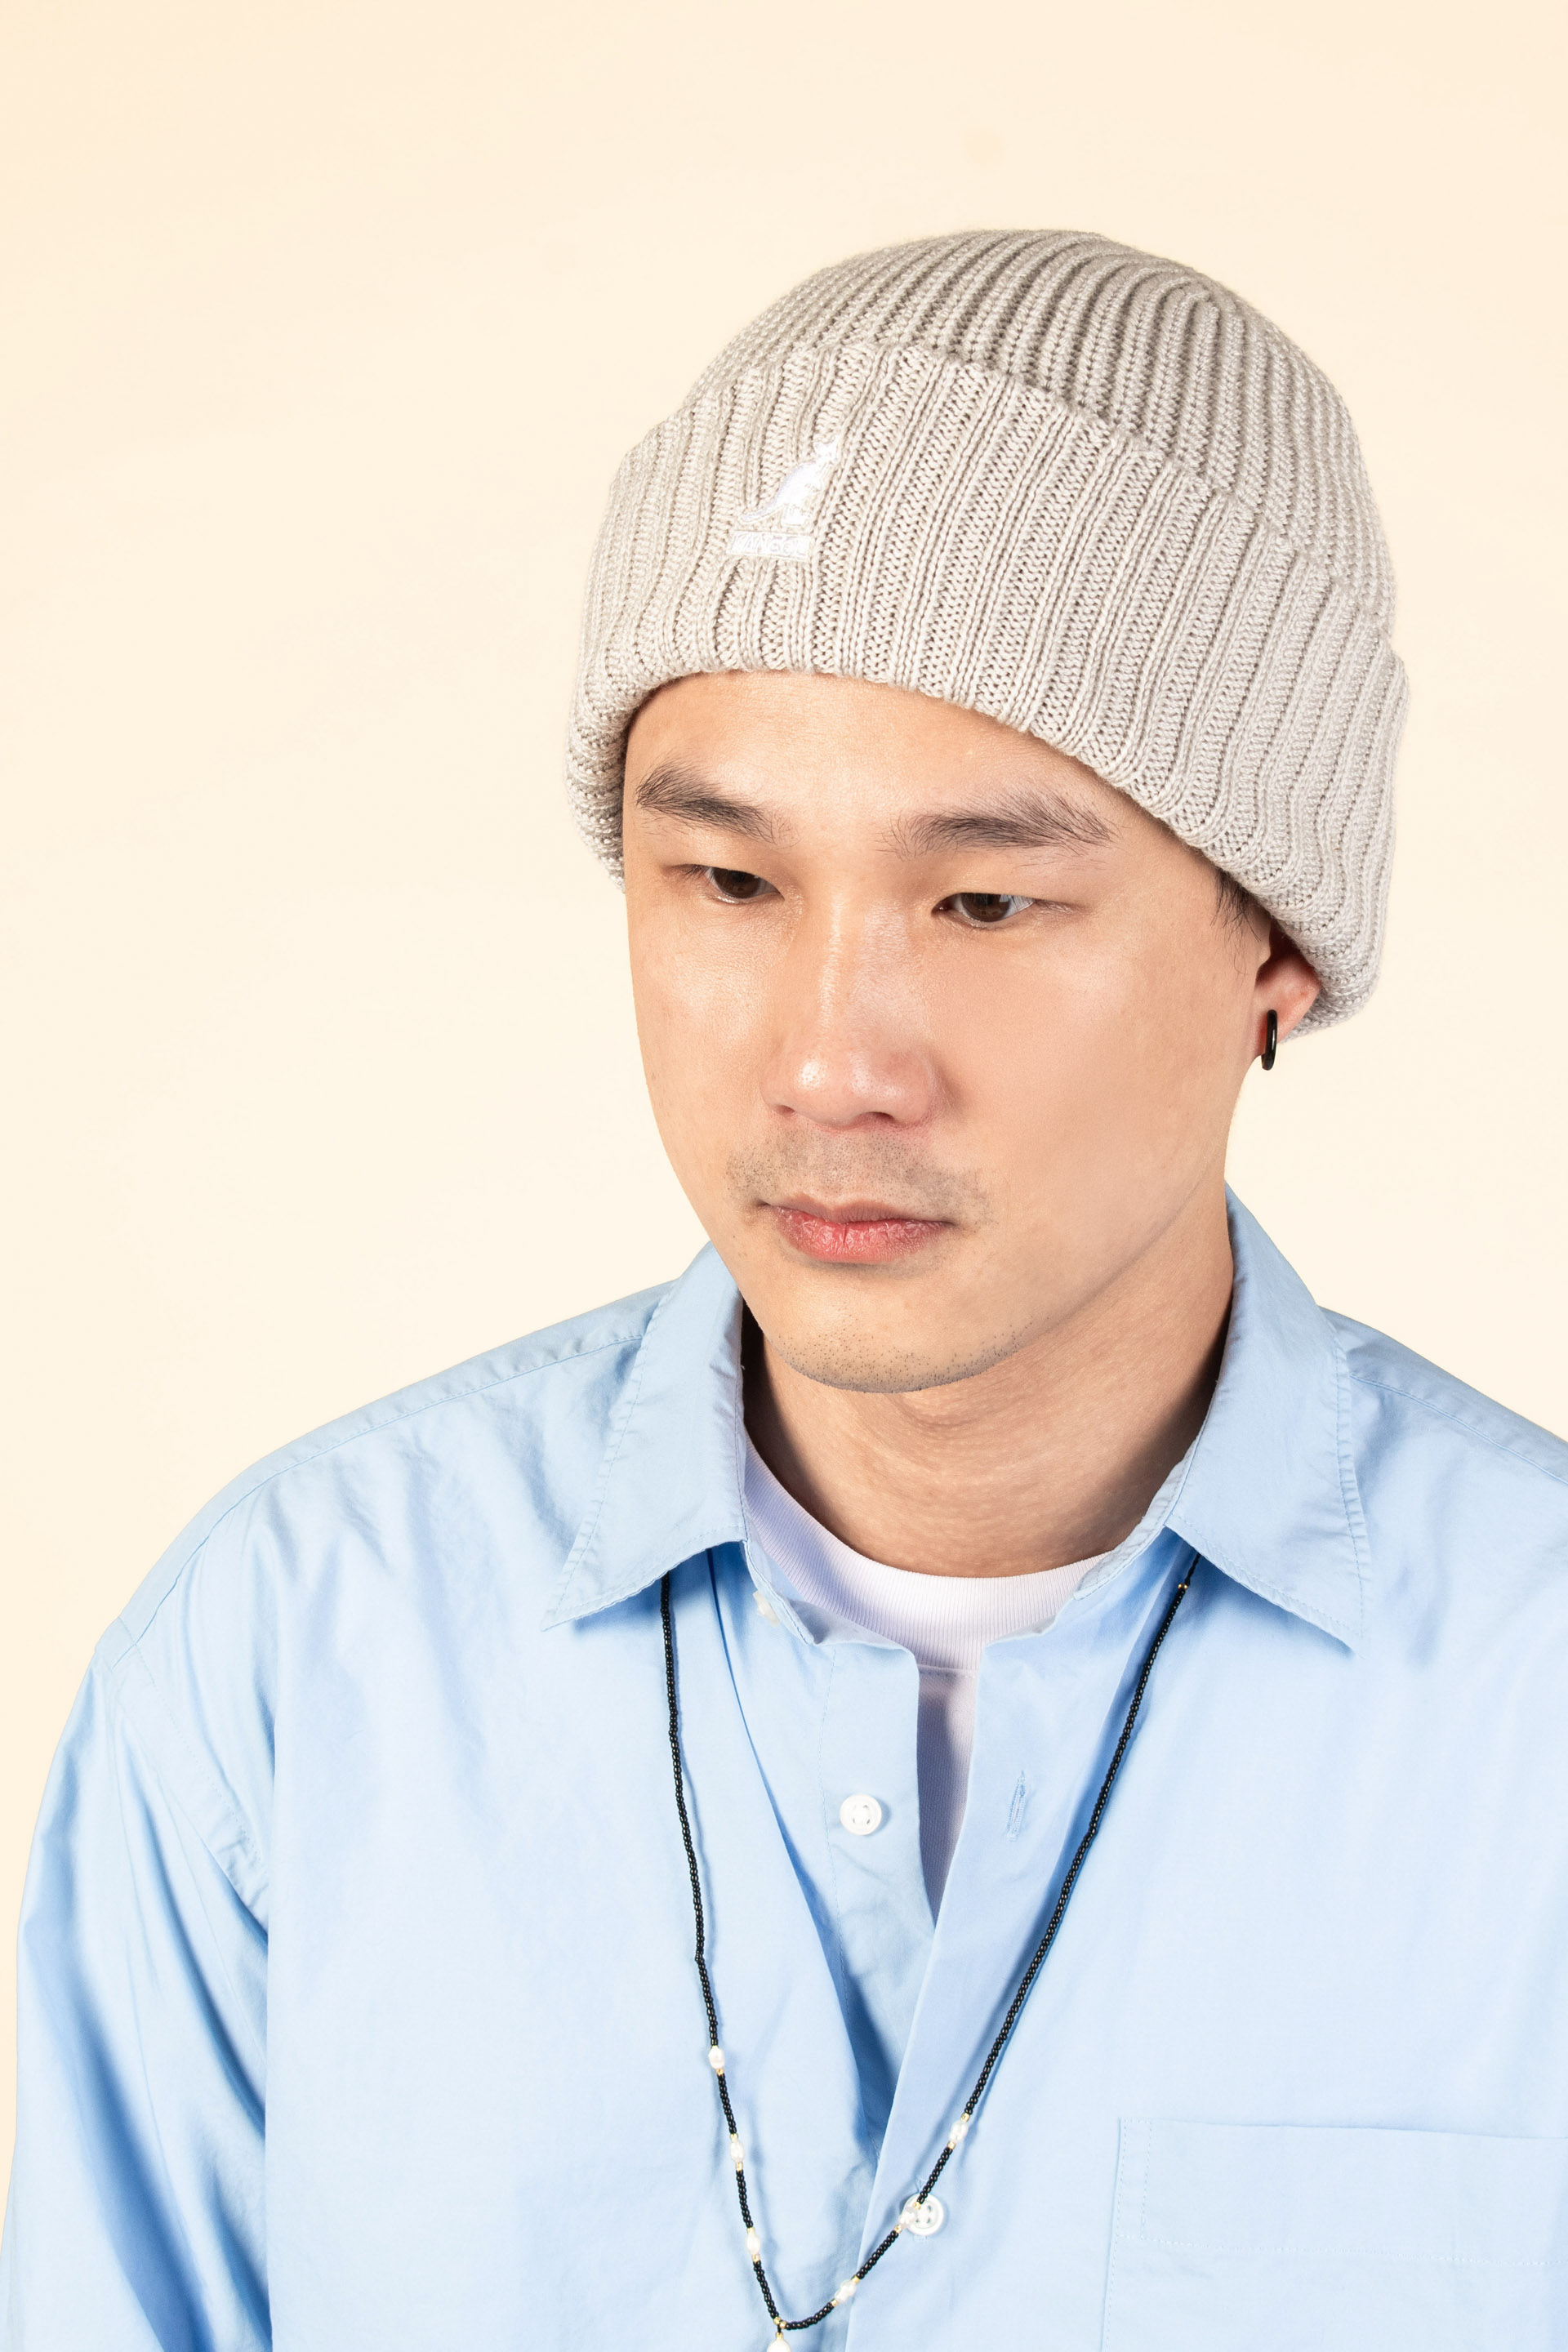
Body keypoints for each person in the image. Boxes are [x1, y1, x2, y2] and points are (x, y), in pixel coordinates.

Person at [4, 230, 1566, 2350]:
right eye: (728, 880)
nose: (832, 1064)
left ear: (1275, 943)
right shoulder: (294, 1669)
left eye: (985, 899)